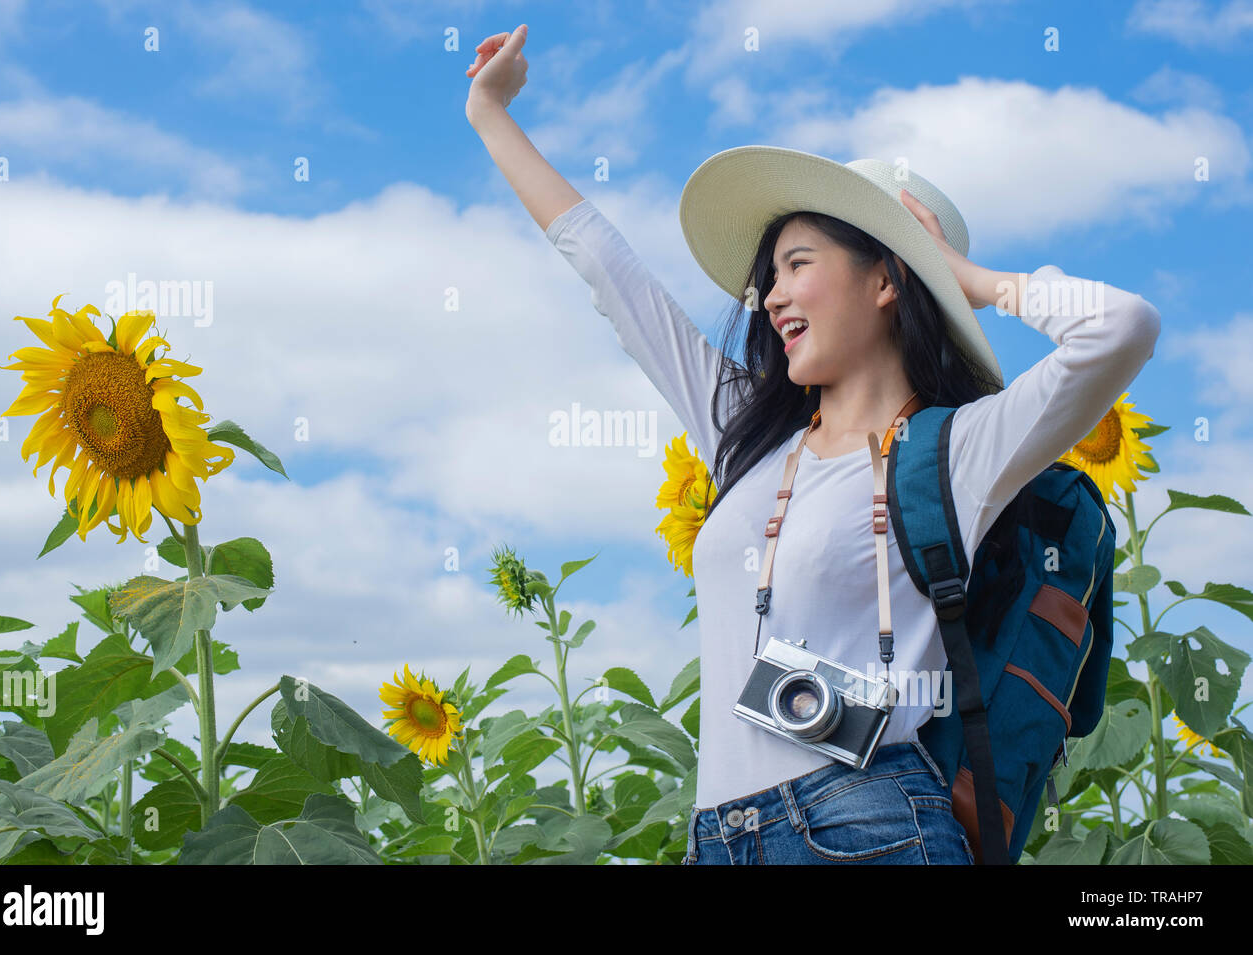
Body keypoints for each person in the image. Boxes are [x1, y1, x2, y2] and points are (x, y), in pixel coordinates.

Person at [465, 24, 1162, 865]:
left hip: (866, 826)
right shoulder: (749, 436)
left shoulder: (962, 449)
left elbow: (1121, 328)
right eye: (770, 277)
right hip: (718, 836)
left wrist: (967, 280)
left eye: (798, 264)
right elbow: (614, 280)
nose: (770, 296)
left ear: (885, 279)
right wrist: (490, 114)